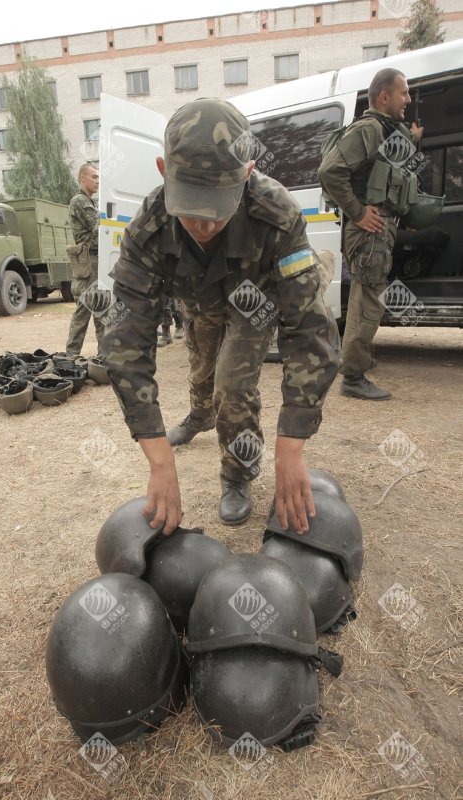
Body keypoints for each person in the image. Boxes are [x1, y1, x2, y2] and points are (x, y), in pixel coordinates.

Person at [103, 98, 340, 534]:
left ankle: (236, 472)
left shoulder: (277, 214)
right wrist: (159, 458)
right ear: (162, 170)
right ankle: (199, 416)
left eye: (219, 206)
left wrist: (291, 448)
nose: (205, 224)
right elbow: (125, 343)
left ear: (247, 173)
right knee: (203, 375)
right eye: (192, 206)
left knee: (232, 384)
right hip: (199, 301)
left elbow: (309, 331)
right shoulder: (148, 231)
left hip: (257, 300)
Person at [318, 68, 424, 400]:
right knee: (369, 301)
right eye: (404, 93)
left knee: (368, 297)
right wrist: (359, 211)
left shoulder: (384, 130)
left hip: (378, 231)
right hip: (368, 232)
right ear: (384, 97)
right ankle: (353, 376)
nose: (408, 99)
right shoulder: (368, 129)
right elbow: (329, 172)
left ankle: (356, 361)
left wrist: (412, 139)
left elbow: (387, 176)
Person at [65, 163, 105, 359]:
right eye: (94, 177)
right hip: (89, 262)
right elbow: (99, 228)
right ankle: (71, 356)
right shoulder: (80, 201)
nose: (98, 181)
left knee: (99, 310)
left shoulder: (88, 202)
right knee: (86, 310)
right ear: (83, 178)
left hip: (94, 261)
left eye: (99, 177)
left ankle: (102, 357)